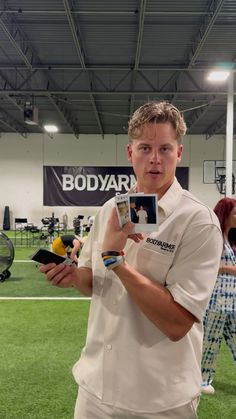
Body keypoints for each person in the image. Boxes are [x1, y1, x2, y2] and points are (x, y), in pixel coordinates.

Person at [40, 101, 223, 419]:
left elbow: (178, 322)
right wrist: (71, 276)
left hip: (160, 399)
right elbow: (92, 282)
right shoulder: (110, 209)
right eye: (145, 147)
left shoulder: (198, 221)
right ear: (130, 152)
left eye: (165, 148)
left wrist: (115, 259)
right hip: (95, 388)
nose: (155, 159)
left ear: (179, 153)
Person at [201, 197, 236, 395]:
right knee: (210, 342)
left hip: (231, 300)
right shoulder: (213, 237)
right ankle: (203, 380)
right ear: (225, 215)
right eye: (235, 214)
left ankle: (203, 379)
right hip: (216, 301)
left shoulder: (228, 239)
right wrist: (228, 269)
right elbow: (203, 267)